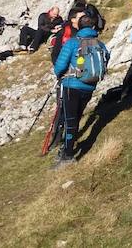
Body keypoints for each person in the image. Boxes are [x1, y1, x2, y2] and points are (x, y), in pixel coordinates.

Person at [52, 14, 110, 167]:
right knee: (76, 117)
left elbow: (59, 67)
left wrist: (61, 75)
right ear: (92, 27)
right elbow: (105, 60)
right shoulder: (100, 44)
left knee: (70, 120)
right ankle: (67, 148)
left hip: (72, 85)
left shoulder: (72, 43)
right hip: (89, 86)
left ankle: (68, 155)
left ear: (78, 26)